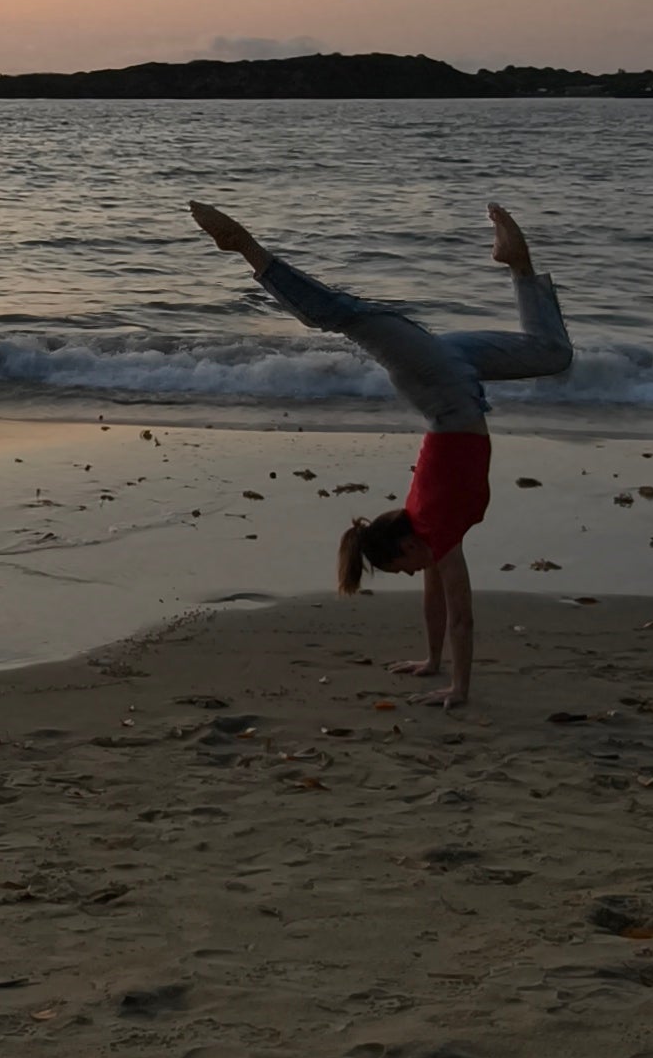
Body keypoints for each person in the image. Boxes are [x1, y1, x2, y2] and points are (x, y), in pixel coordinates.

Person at [186, 197, 571, 709]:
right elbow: (439, 603)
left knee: (343, 315)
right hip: (448, 378)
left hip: (437, 381)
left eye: (403, 570)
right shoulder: (430, 528)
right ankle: (517, 264)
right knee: (552, 354)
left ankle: (246, 248)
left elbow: (462, 614)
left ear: (405, 547)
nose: (415, 575)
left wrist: (460, 689)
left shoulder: (435, 529)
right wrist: (433, 664)